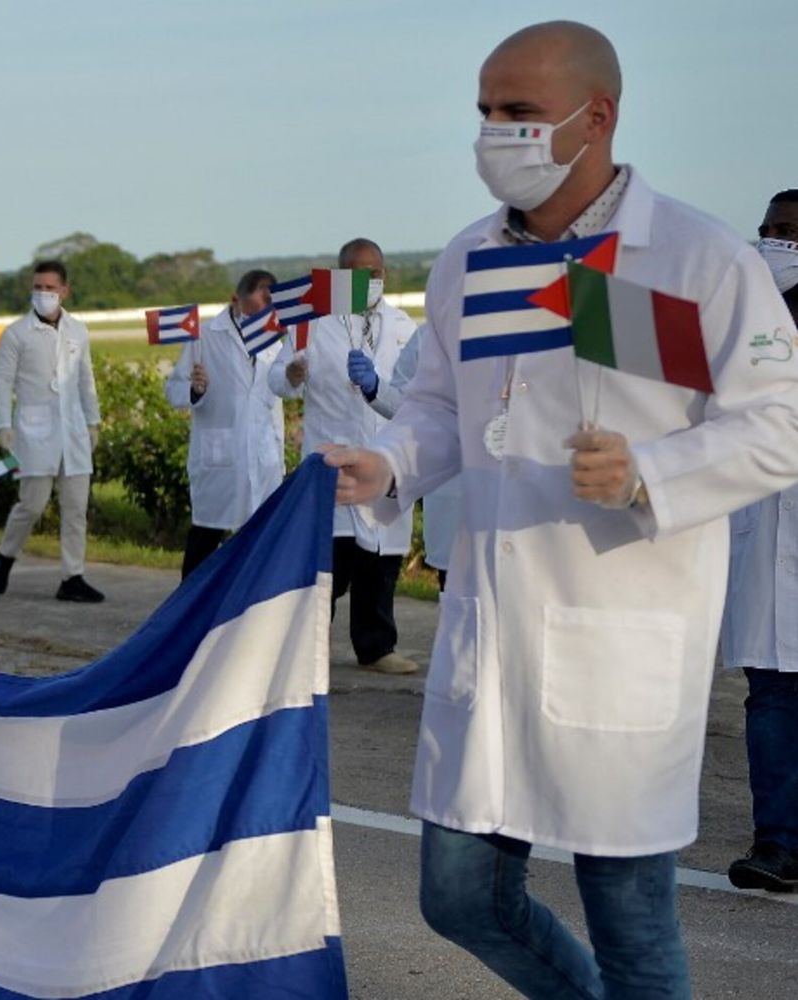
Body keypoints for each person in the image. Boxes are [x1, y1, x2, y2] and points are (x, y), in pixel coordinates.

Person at [324, 22, 798, 998]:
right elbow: (437, 407)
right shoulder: (469, 260)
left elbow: (777, 427)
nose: (497, 133)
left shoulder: (698, 262)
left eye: (521, 114)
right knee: (457, 896)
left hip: (619, 635)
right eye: (487, 113)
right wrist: (387, 463)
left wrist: (649, 471)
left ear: (599, 117)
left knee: (632, 920)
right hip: (490, 631)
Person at [270, 239, 419, 674]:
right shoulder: (312, 326)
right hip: (333, 454)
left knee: (381, 558)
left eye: (374, 274)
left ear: (385, 275)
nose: (367, 282)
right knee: (332, 561)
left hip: (385, 454)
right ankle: (307, 650)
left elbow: (414, 390)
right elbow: (277, 381)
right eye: (355, 275)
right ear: (338, 278)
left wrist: (378, 386)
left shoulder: (402, 325)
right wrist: (292, 374)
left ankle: (376, 647)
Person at [719, 188, 798, 894]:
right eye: (769, 230)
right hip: (762, 531)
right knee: (770, 696)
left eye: (791, 233)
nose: (777, 243)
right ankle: (776, 843)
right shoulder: (737, 320)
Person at [0, 260, 104, 602]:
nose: (44, 294)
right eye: (38, 287)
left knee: (75, 508)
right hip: (34, 432)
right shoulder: (16, 334)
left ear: (65, 291)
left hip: (74, 432)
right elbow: (2, 383)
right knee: (32, 505)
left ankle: (72, 577)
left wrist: (93, 421)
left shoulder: (78, 332)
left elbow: (86, 380)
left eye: (50, 288)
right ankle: (5, 555)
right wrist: (3, 425)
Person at [164, 269, 286, 578]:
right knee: (207, 536)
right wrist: (195, 389)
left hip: (263, 456)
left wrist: (295, 376)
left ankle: (245, 614)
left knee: (259, 539)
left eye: (274, 301)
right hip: (221, 454)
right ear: (237, 299)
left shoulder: (277, 339)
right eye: (263, 298)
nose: (269, 307)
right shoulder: (205, 335)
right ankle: (187, 611)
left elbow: (285, 388)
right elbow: (173, 390)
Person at [370, 326, 462, 593]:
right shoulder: (428, 336)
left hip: (510, 496)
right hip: (451, 493)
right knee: (454, 598)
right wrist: (375, 389)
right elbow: (405, 405)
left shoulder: (526, 325)